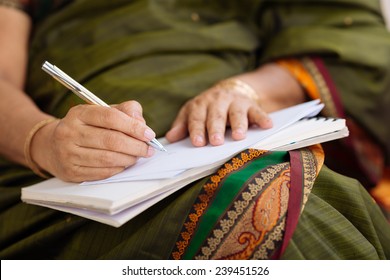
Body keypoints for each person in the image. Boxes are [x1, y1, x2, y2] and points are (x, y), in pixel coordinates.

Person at [0, 0, 389, 259]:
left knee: (270, 203)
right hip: (70, 166)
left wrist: (245, 90)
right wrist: (42, 140)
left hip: (233, 127)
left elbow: (346, 35)